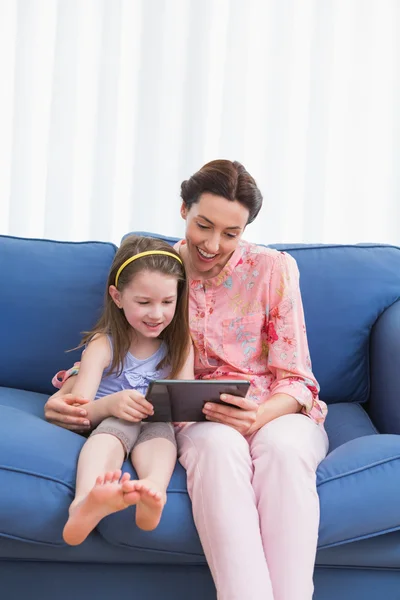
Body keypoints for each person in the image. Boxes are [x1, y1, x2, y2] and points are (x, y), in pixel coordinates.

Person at [45, 160, 328, 600]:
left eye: (230, 233)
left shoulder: (274, 269)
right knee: (218, 448)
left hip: (274, 409)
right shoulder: (162, 270)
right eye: (204, 225)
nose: (213, 244)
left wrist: (259, 416)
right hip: (198, 417)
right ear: (184, 210)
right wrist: (69, 390)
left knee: (284, 449)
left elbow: (297, 378)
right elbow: (121, 347)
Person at [57, 235, 194, 546]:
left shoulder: (181, 345)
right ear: (117, 297)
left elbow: (182, 402)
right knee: (117, 425)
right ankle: (83, 503)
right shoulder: (103, 344)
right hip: (109, 421)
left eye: (167, 302)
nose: (156, 314)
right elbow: (78, 410)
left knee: (161, 431)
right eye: (144, 302)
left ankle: (152, 490)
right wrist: (110, 405)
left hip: (154, 423)